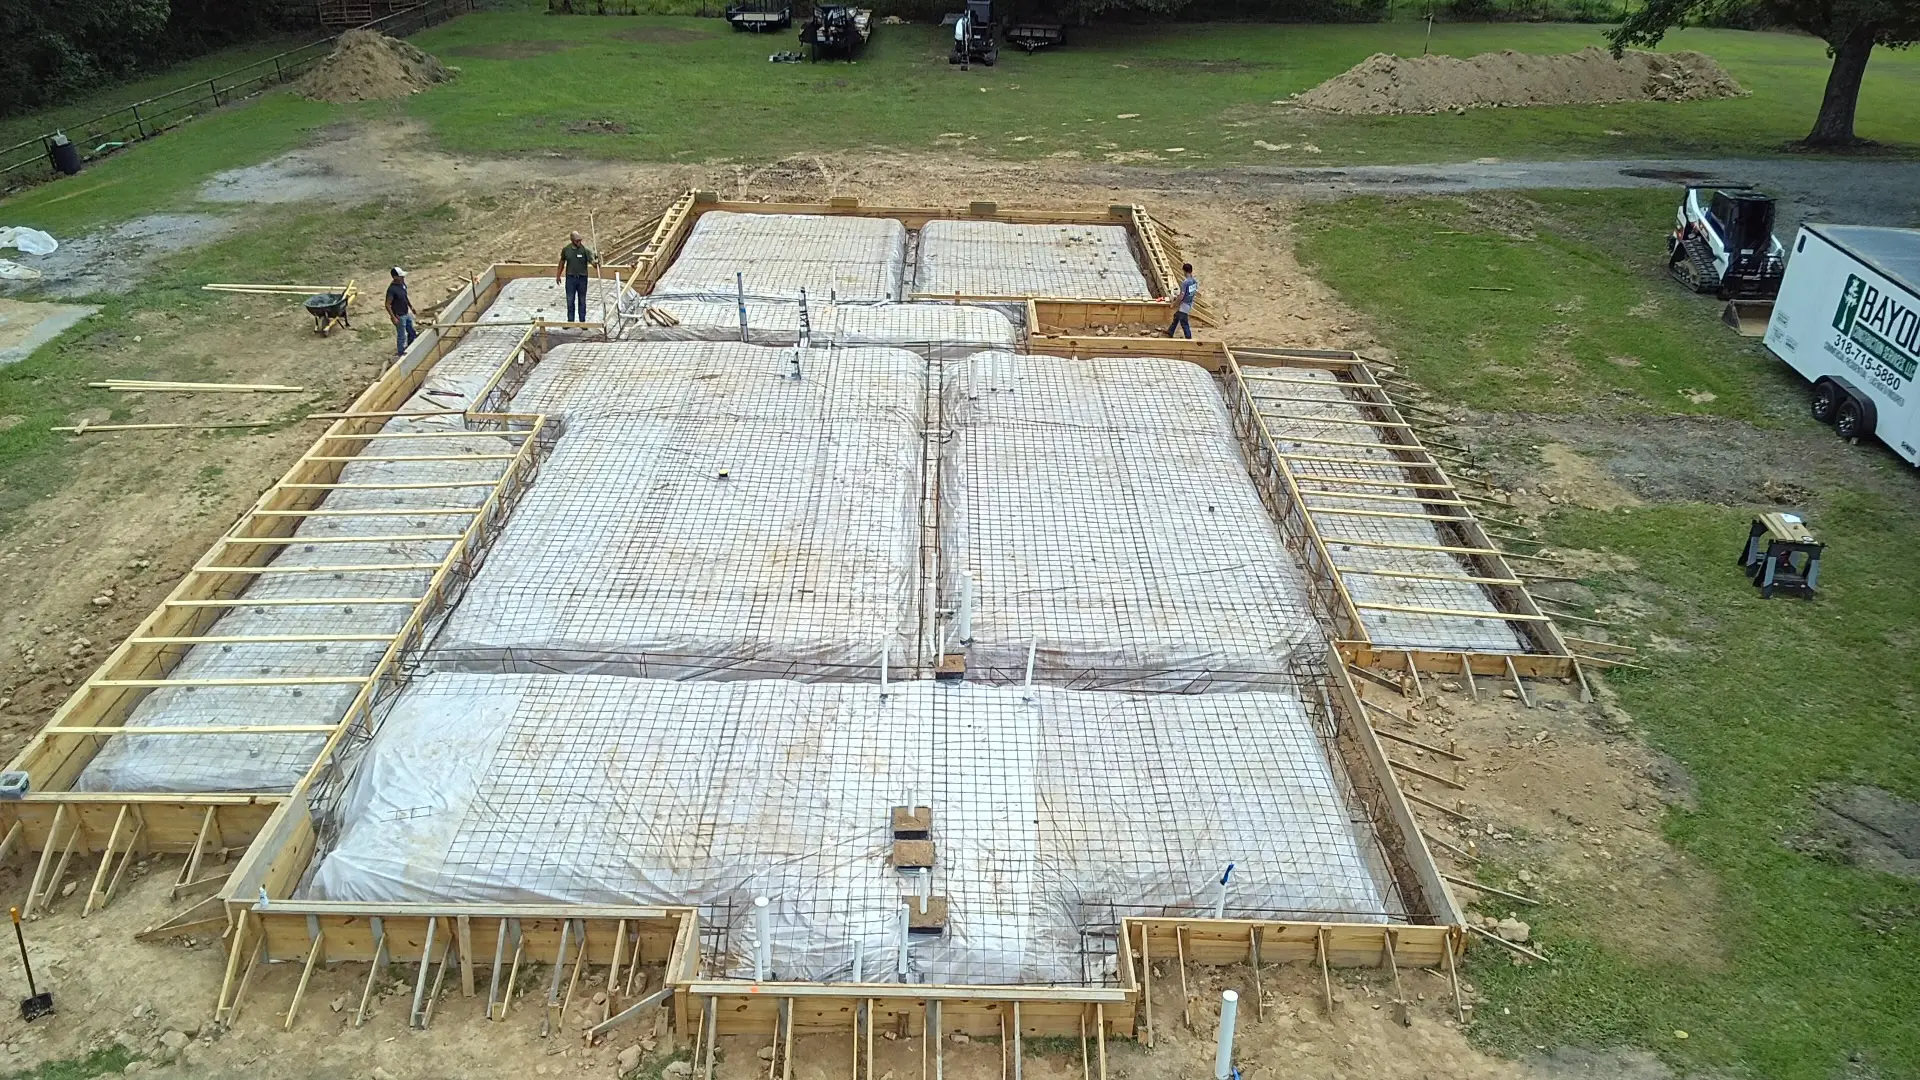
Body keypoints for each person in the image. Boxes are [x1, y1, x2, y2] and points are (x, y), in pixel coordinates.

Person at [555, 231, 598, 323]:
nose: (579, 242)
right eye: (577, 241)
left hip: (582, 279)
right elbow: (562, 262)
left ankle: (582, 322)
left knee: (582, 301)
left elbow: (593, 263)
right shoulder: (566, 250)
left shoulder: (585, 251)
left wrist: (597, 263)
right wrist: (558, 275)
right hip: (571, 279)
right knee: (570, 300)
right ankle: (571, 321)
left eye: (580, 240)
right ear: (572, 240)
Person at [386, 267, 417, 358]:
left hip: (406, 313)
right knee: (402, 335)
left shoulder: (402, 284)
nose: (403, 278)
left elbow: (405, 297)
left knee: (411, 332)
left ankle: (410, 347)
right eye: (401, 277)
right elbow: (387, 305)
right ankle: (400, 353)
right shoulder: (392, 290)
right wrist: (393, 317)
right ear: (395, 277)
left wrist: (411, 307)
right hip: (399, 316)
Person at [1165, 263, 1198, 339]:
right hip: (1189, 303)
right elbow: (1192, 293)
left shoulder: (1185, 282)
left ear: (1185, 271)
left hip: (1184, 305)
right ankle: (1170, 331)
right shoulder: (1194, 281)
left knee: (1184, 322)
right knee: (1176, 316)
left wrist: (1174, 303)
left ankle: (1188, 338)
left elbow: (1182, 296)